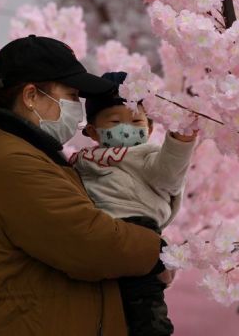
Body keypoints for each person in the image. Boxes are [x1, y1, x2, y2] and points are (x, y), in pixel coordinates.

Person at [0, 34, 167, 336]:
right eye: (71, 95)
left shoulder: (27, 152)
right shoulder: (14, 161)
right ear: (31, 96)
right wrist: (158, 251)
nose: (77, 108)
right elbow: (90, 242)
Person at [72, 71, 197, 336]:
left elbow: (169, 175)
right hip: (99, 231)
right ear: (93, 131)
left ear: (150, 128)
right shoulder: (85, 158)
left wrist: (179, 142)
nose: (126, 127)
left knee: (144, 309)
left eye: (137, 120)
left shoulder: (148, 156)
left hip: (137, 229)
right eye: (115, 120)